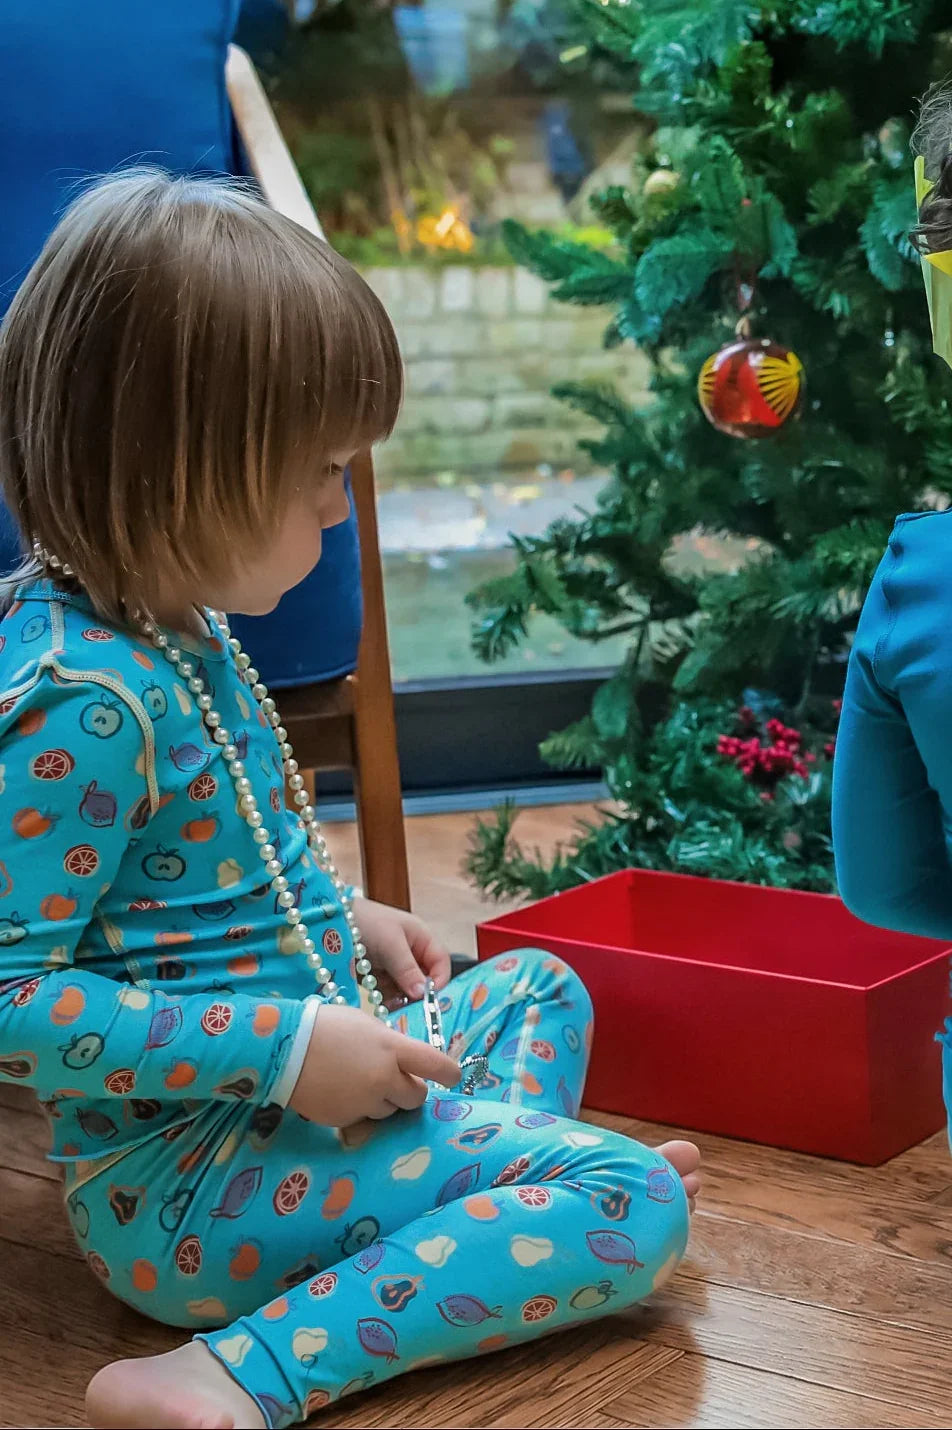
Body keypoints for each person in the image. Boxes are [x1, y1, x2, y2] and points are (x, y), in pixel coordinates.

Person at [0, 169, 699, 1430]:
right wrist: (288, 1049)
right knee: (633, 1205)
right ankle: (235, 1369)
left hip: (287, 1118)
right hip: (189, 1187)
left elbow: (199, 882)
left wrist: (345, 915)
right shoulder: (81, 698)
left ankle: (498, 1199)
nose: (339, 504)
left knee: (536, 985)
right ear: (177, 466)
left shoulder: (171, 625)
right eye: (322, 470)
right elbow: (9, 997)